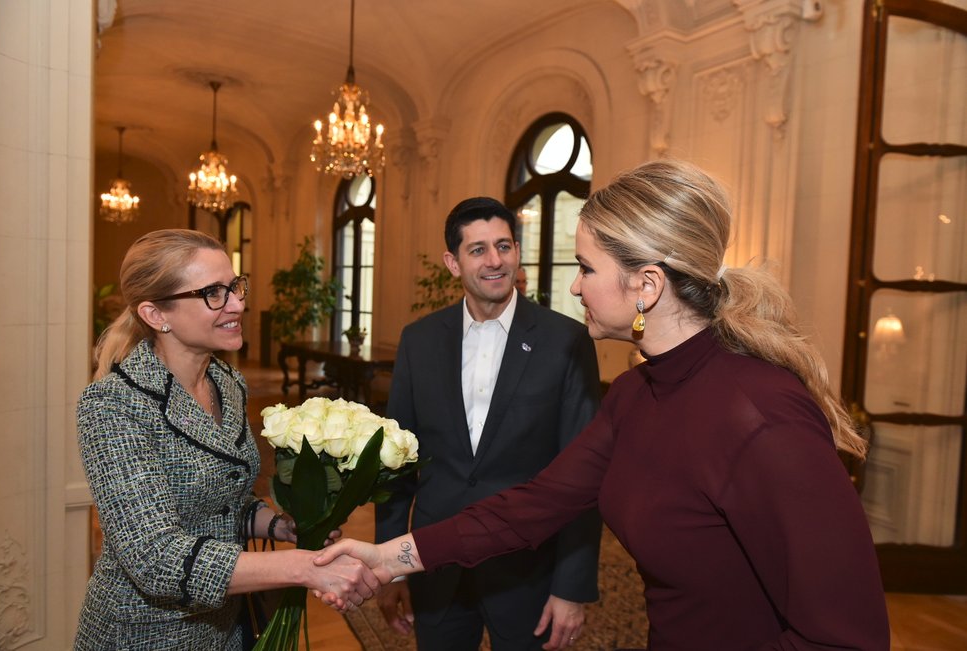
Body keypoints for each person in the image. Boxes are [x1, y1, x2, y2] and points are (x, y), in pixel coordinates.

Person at [319, 161, 891, 650]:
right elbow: (534, 504)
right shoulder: (638, 395)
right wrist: (389, 557)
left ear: (647, 286)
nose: (573, 288)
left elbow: (847, 635)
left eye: (586, 269)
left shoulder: (762, 414)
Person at [75, 229, 378, 650]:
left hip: (227, 627)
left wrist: (281, 526)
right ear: (155, 313)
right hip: (145, 635)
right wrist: (300, 567)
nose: (237, 304)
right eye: (212, 293)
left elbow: (225, 500)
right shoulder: (113, 404)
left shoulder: (227, 382)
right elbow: (154, 557)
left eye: (234, 286)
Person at [374, 197, 603, 651]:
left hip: (527, 569)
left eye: (503, 246)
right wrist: (390, 567)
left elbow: (583, 475)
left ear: (517, 251)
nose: (494, 261)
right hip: (435, 564)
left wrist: (571, 587)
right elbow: (394, 466)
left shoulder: (566, 341)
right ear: (452, 262)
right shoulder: (418, 341)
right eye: (477, 249)